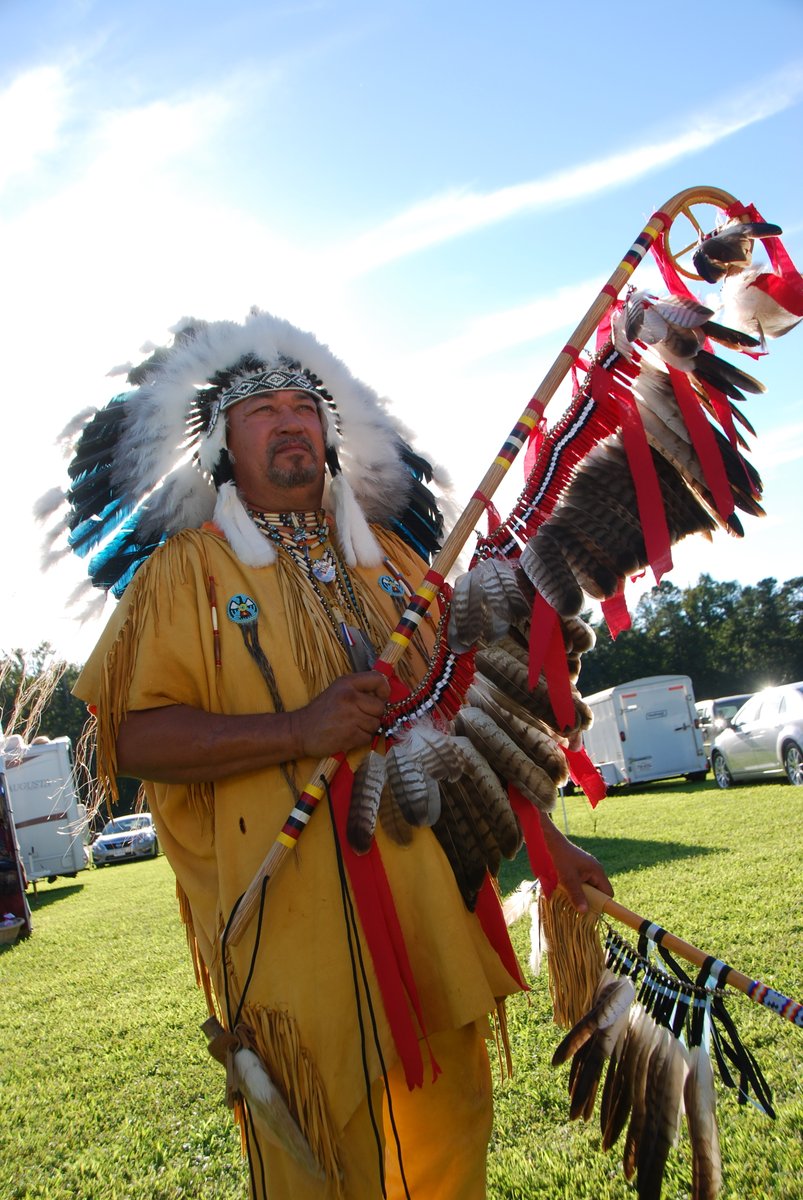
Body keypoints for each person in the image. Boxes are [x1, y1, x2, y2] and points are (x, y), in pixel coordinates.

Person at [59, 310, 612, 1199]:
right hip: (290, 933)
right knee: (320, 1157)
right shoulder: (183, 573)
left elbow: (458, 727)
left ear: (328, 432)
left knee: (450, 1129)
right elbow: (129, 737)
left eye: (302, 407)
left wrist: (552, 850)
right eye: (260, 412)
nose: (288, 422)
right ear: (220, 449)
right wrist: (295, 731)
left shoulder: (395, 563)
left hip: (432, 908)